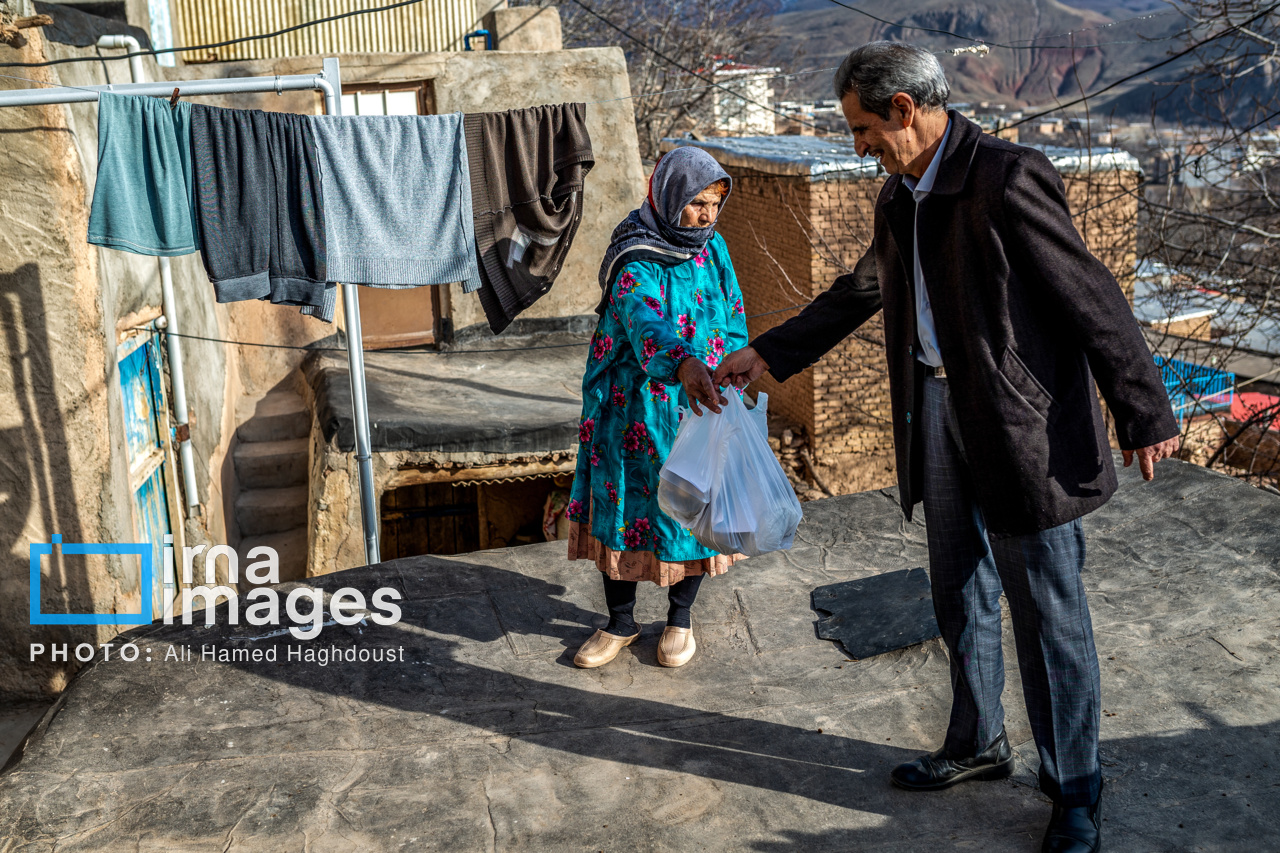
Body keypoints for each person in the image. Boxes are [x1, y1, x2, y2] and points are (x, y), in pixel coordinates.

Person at [714, 42, 1180, 853]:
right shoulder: (901, 195)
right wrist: (773, 351)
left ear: (904, 109)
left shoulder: (1006, 176)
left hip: (1018, 427)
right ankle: (976, 740)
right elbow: (864, 287)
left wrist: (1144, 409)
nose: (856, 145)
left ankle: (1075, 784)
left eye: (863, 127)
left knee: (1046, 609)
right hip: (933, 408)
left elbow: (1090, 293)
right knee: (957, 584)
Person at [566, 146, 747, 670]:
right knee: (622, 507)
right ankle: (620, 622)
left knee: (688, 507)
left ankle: (680, 619)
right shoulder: (635, 254)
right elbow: (645, 322)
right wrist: (683, 364)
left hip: (697, 407)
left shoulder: (714, 249)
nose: (707, 215)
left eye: (715, 204)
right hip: (632, 409)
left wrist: (731, 370)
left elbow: (732, 313)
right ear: (669, 197)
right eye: (697, 204)